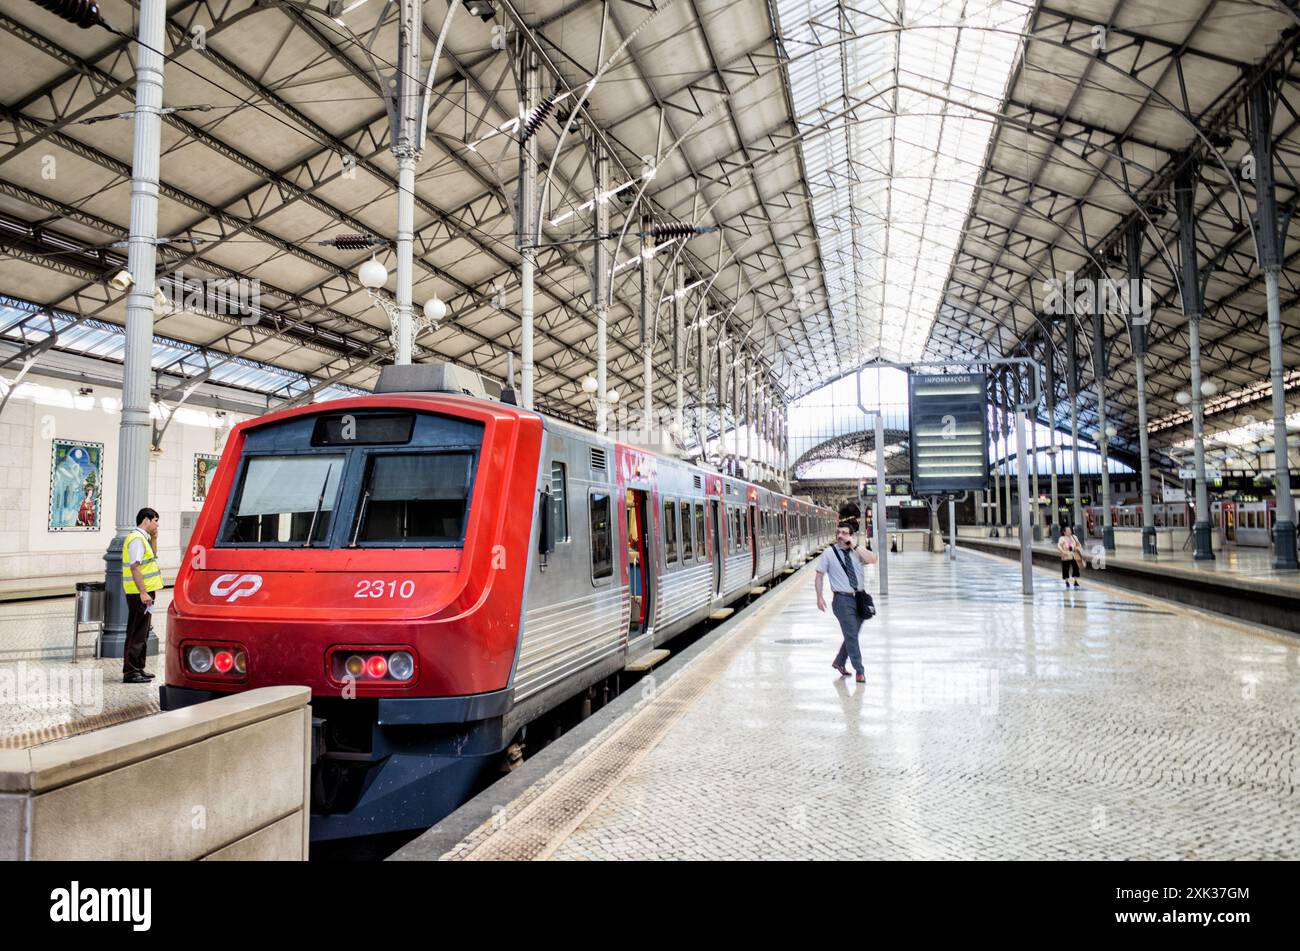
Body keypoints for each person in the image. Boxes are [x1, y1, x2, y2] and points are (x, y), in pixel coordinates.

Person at [815, 521, 879, 684]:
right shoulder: (829, 553)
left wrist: (855, 547)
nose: (840, 536)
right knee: (851, 635)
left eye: (844, 533)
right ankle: (860, 671)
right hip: (842, 599)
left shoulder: (857, 552)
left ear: (851, 535)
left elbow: (873, 560)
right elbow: (819, 575)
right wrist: (819, 596)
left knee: (852, 635)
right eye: (838, 533)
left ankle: (839, 662)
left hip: (860, 598)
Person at [121, 508, 162, 684]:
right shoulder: (136, 539)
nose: (157, 524)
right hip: (139, 592)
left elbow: (153, 556)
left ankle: (138, 668)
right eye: (155, 521)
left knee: (143, 631)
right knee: (136, 632)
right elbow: (135, 567)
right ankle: (131, 672)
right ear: (146, 520)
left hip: (145, 591)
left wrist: (154, 538)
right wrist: (143, 592)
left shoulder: (144, 539)